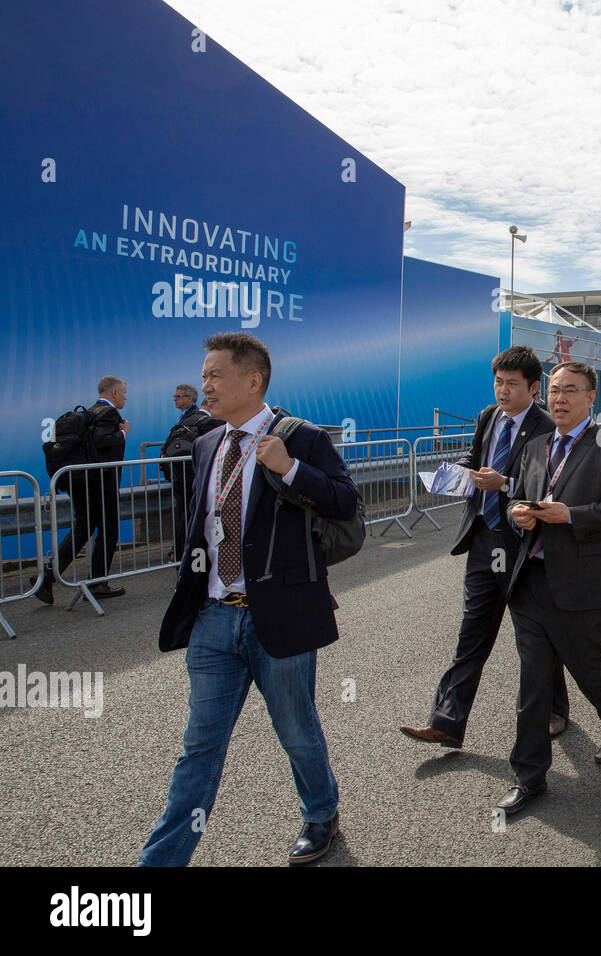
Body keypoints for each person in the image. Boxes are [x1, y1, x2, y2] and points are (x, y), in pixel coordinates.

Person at [140, 332, 358, 866]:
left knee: (296, 729)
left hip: (277, 617)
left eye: (215, 375)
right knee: (199, 748)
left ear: (252, 380)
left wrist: (288, 468)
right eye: (205, 374)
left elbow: (344, 501)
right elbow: (200, 525)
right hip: (214, 619)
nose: (205, 386)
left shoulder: (302, 438)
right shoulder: (206, 443)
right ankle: (160, 863)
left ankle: (320, 813)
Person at [399, 346, 569, 749]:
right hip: (482, 536)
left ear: (533, 387)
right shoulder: (488, 417)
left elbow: (552, 486)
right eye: (498, 382)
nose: (502, 391)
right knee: (471, 633)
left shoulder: (548, 427)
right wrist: (457, 474)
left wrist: (506, 485)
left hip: (525, 543)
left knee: (536, 635)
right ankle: (446, 722)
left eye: (512, 384)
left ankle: (554, 709)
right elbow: (476, 457)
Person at [497, 361, 601, 815]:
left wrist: (571, 515)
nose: (558, 399)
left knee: (589, 668)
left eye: (570, 391)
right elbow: (518, 495)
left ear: (590, 398)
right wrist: (519, 513)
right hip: (531, 582)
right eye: (554, 391)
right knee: (533, 681)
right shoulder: (536, 445)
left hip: (585, 584)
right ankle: (528, 776)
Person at [33, 376, 130, 604]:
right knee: (108, 529)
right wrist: (124, 432)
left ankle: (48, 576)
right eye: (124, 392)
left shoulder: (90, 413)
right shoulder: (108, 414)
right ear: (114, 393)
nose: (125, 397)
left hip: (80, 481)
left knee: (82, 528)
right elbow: (102, 441)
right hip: (100, 482)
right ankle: (98, 583)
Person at [161, 384, 223, 563]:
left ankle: (182, 557)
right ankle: (197, 562)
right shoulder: (207, 422)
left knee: (183, 517)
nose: (175, 399)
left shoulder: (184, 421)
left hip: (179, 476)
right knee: (197, 518)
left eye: (178, 396)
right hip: (197, 477)